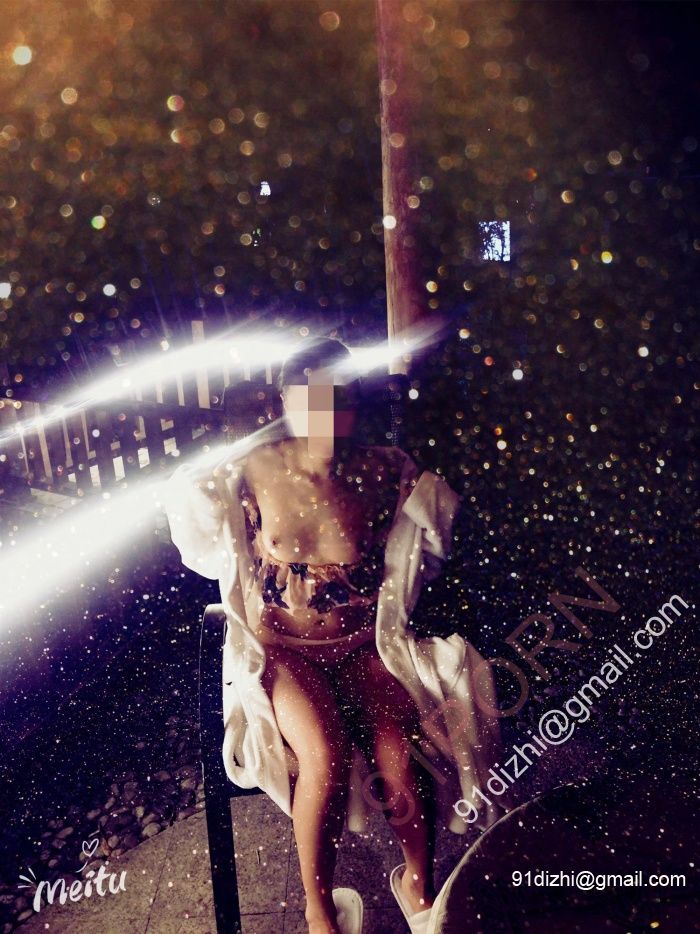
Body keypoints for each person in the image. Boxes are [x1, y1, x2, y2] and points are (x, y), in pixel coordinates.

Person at [163, 336, 507, 934]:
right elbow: (196, 540)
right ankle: (319, 911)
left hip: (364, 647)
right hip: (285, 652)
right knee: (324, 754)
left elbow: (425, 550)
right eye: (311, 397)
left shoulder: (383, 470)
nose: (324, 412)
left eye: (338, 396)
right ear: (287, 400)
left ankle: (418, 886)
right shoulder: (251, 468)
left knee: (400, 756)